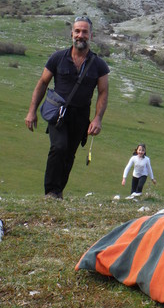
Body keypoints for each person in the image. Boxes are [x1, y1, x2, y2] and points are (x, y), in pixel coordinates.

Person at [25, 16, 109, 199]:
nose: (80, 35)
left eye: (84, 32)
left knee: (70, 155)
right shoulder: (57, 58)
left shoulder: (99, 65)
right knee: (59, 147)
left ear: (91, 36)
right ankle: (50, 192)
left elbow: (103, 92)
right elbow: (42, 83)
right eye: (77, 31)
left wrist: (97, 119)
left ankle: (58, 192)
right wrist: (32, 111)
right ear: (72, 34)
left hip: (81, 116)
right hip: (58, 113)